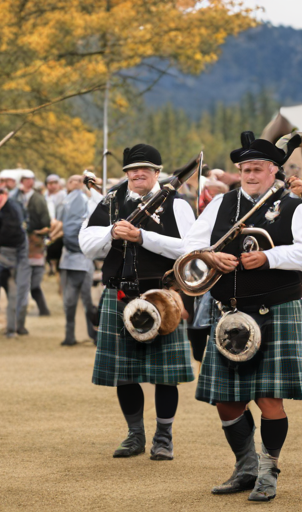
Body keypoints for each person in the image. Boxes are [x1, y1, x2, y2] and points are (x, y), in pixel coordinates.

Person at [184, 132, 302, 502]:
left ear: (274, 171)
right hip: (228, 312)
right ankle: (245, 466)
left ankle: (268, 471)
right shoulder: (221, 205)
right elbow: (189, 244)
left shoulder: (293, 206)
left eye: (257, 168)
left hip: (275, 309)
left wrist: (270, 257)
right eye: (245, 169)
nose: (249, 174)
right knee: (226, 401)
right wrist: (209, 256)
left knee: (268, 398)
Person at [79, 144, 195, 461]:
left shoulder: (177, 204)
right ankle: (135, 435)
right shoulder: (111, 202)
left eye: (146, 168)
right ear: (126, 173)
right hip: (119, 294)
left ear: (158, 172)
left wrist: (143, 237)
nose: (138, 173)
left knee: (164, 374)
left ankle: (164, 436)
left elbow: (190, 249)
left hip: (162, 296)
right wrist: (112, 232)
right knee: (123, 373)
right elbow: (86, 244)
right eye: (132, 169)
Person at [58, 175, 97, 346]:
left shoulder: (82, 201)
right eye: (71, 180)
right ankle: (70, 335)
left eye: (77, 181)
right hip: (70, 257)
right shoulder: (66, 201)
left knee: (85, 300)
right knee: (70, 300)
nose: (74, 183)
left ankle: (93, 333)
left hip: (82, 257)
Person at [11, 169, 52, 327]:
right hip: (20, 244)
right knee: (22, 281)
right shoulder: (16, 197)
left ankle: (42, 309)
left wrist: (36, 232)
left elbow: (46, 223)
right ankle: (25, 314)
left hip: (35, 242)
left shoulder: (38, 198)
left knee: (34, 282)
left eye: (31, 179)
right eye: (27, 179)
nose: (29, 181)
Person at [0, 185, 27, 337]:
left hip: (0, 253)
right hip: (16, 254)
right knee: (13, 293)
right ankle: (14, 327)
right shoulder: (15, 206)